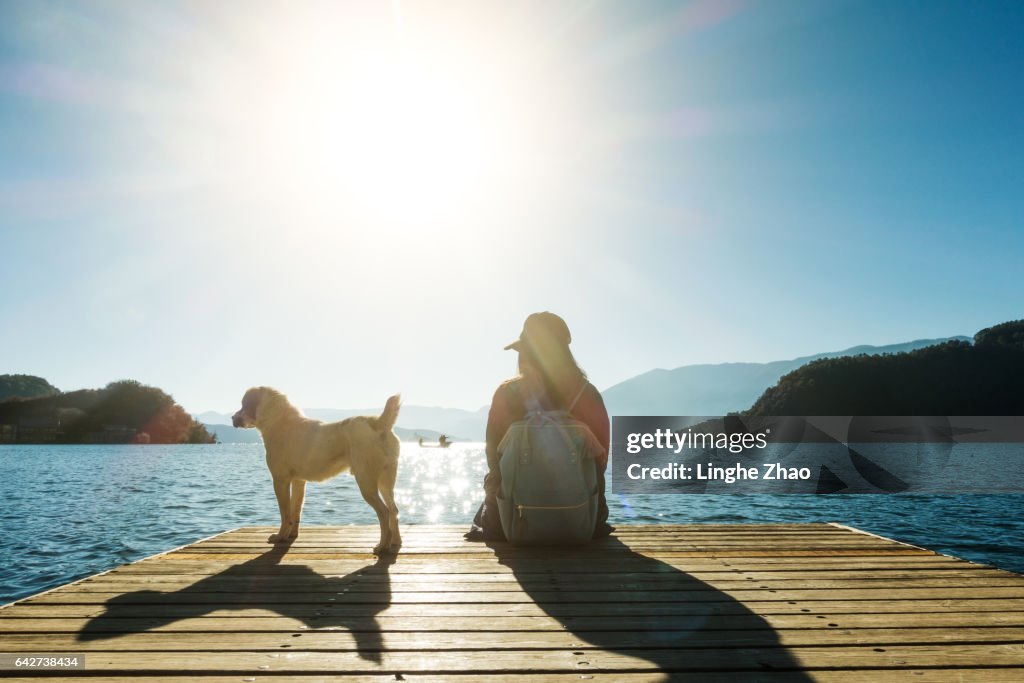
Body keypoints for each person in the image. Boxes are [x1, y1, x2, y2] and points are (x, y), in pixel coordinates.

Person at [467, 311, 613, 541]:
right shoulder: (588, 394)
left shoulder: (506, 393)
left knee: (487, 505)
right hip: (583, 518)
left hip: (509, 521)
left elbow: (493, 458)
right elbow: (600, 462)